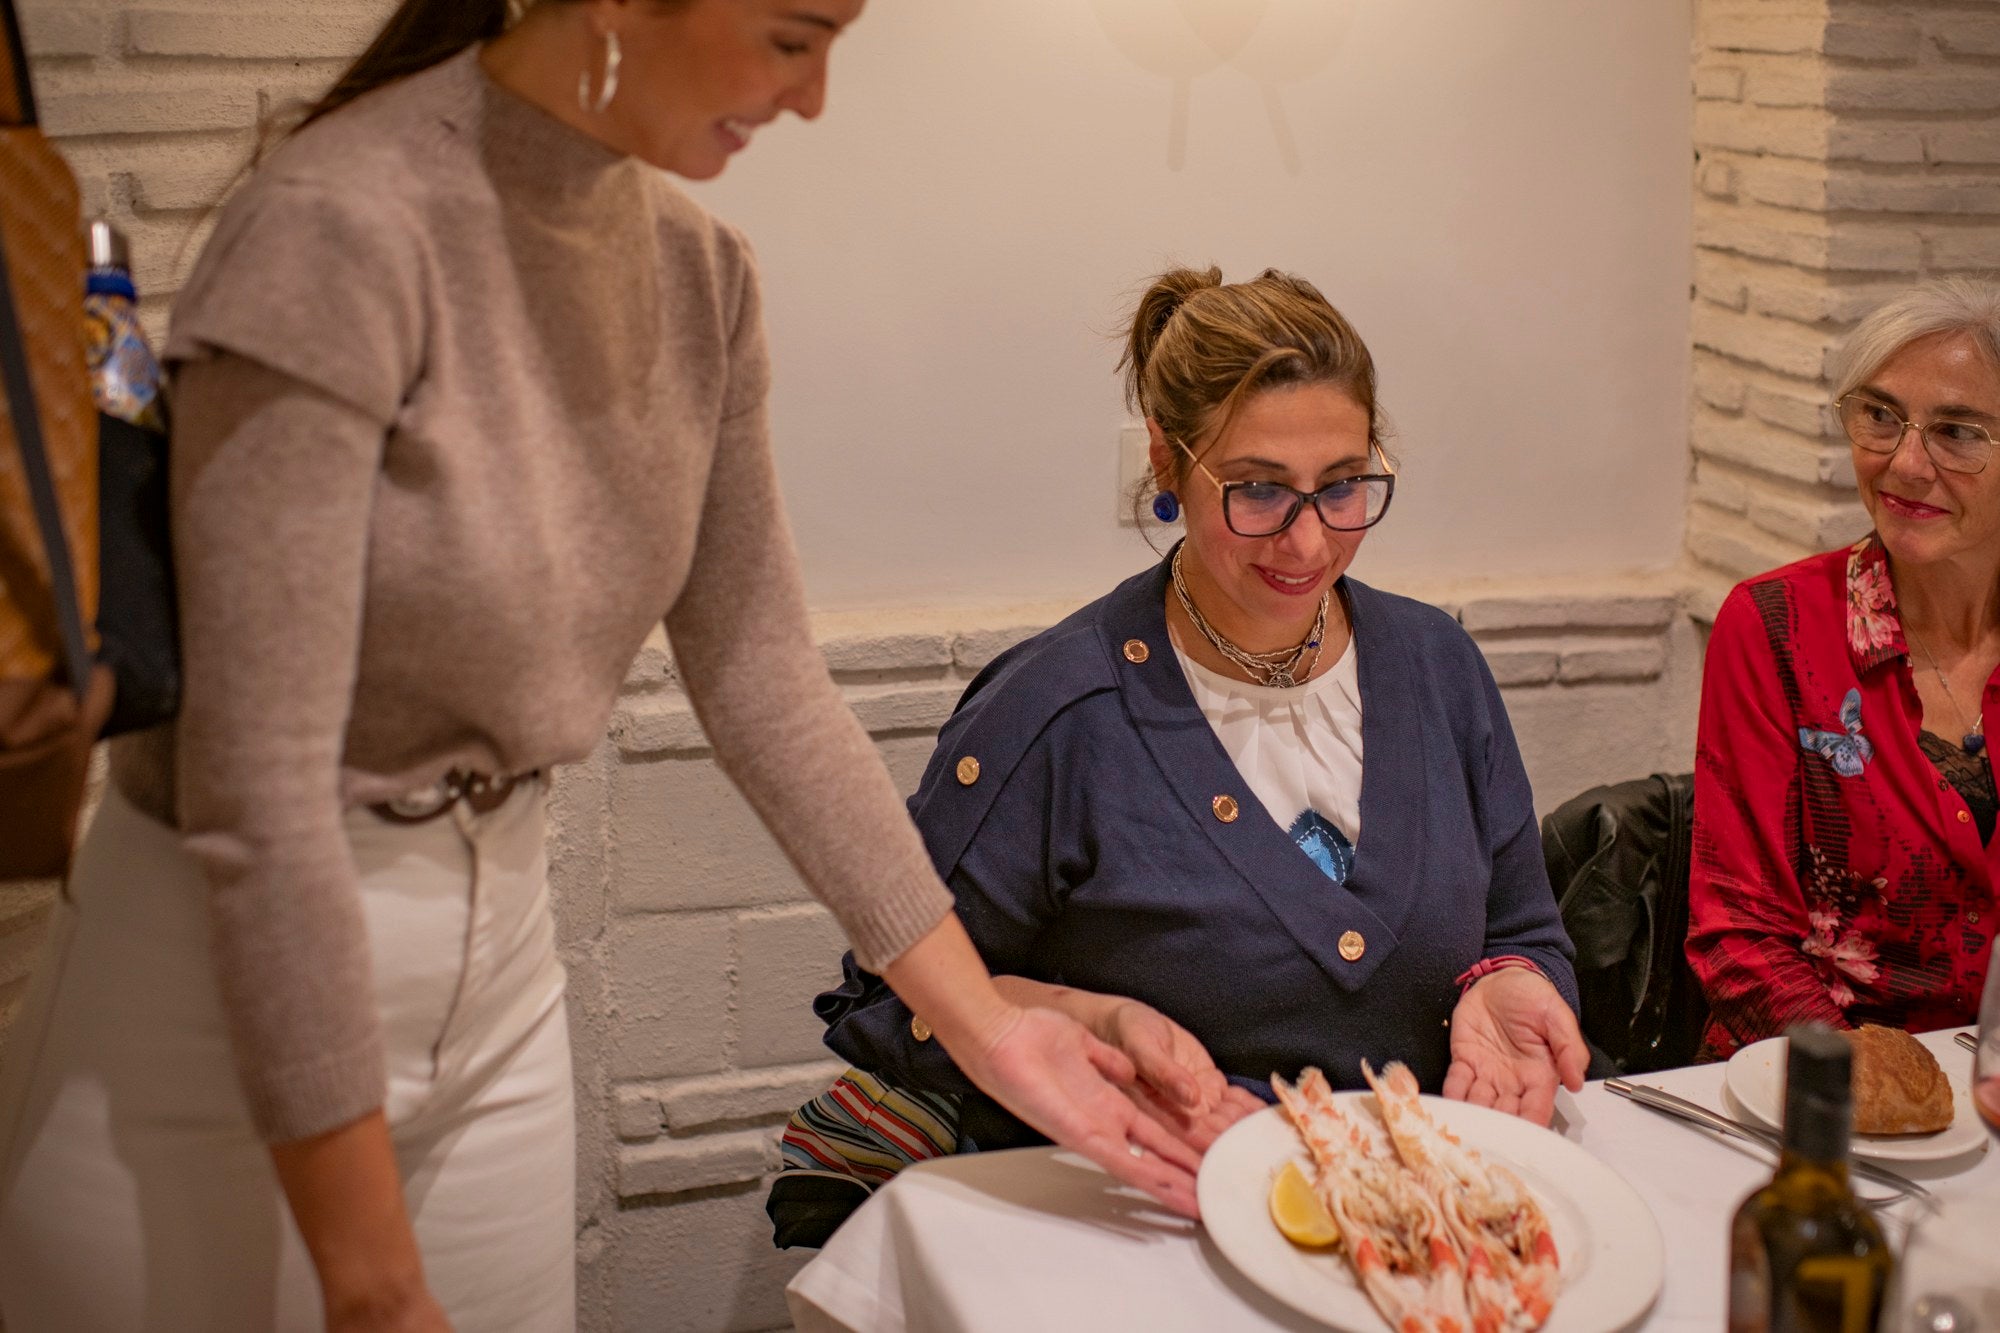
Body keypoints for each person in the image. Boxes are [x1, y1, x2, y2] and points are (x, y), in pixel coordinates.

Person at [0, 3, 1231, 1328]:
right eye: (791, 36)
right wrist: (367, 1278)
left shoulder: (702, 275)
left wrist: (985, 1018)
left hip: (500, 993)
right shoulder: (341, 224)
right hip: (214, 1000)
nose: (816, 97)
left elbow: (764, 681)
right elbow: (260, 782)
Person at [775, 268, 1588, 1233]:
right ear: (1168, 462)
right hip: (1148, 1225)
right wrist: (1096, 1022)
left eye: (1343, 487)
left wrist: (1513, 983)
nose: (1308, 540)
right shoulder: (1061, 713)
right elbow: (901, 1000)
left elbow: (1522, 928)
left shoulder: (1438, 668)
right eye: (1257, 492)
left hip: (1425, 1212)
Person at [1688, 277, 2000, 1057]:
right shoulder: (1777, 626)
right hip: (1809, 1091)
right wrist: (1878, 1087)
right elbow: (1739, 935)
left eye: (1957, 432)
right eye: (1880, 417)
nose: (1905, 464)